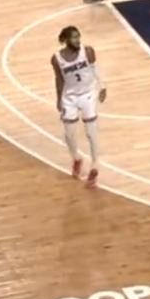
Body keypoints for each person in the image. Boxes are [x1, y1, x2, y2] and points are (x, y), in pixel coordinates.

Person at [52, 26, 107, 187]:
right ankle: (76, 158)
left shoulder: (87, 51)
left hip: (87, 94)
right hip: (69, 97)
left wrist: (102, 87)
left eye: (78, 37)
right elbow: (59, 79)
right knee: (69, 134)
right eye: (74, 37)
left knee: (91, 132)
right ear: (65, 40)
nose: (77, 40)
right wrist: (59, 99)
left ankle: (95, 166)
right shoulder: (56, 59)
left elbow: (95, 70)